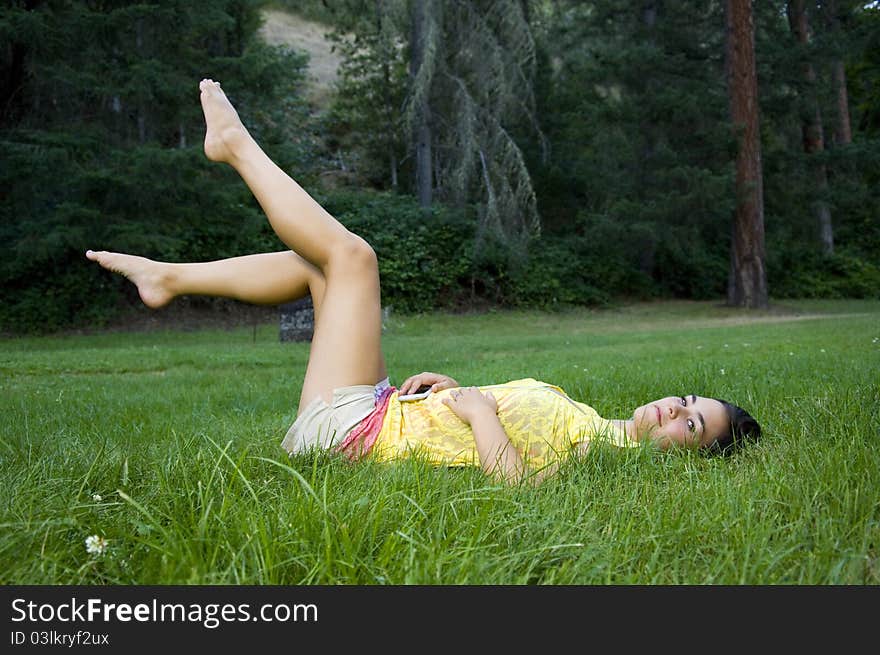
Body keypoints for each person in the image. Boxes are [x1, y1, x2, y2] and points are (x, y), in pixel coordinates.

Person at [86, 79, 761, 485]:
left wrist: (479, 412)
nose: (675, 408)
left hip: (355, 435)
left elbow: (521, 486)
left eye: (693, 425)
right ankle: (166, 277)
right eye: (689, 399)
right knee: (314, 268)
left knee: (353, 258)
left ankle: (234, 146)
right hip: (388, 412)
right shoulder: (595, 423)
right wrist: (453, 391)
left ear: (688, 461)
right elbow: (491, 421)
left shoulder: (599, 456)